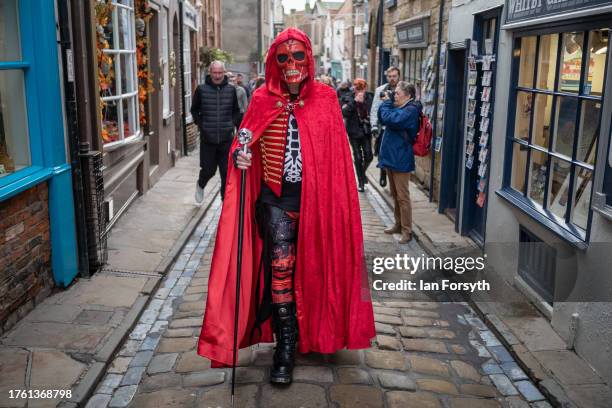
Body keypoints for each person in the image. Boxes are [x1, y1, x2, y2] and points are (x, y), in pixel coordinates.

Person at [198, 28, 375, 385]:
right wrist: (241, 157)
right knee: (280, 269)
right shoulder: (262, 99)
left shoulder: (325, 99)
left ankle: (317, 330)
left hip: (317, 204)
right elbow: (243, 144)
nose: (291, 65)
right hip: (276, 202)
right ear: (274, 62)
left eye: (297, 56)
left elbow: (336, 159)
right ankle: (286, 345)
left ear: (308, 60)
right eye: (283, 58)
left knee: (313, 267)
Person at [191, 61, 241, 203]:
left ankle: (225, 202)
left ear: (224, 72)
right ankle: (200, 185)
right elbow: (194, 110)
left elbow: (236, 112)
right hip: (208, 140)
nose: (217, 76)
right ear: (210, 72)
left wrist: (234, 126)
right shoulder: (201, 90)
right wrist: (202, 125)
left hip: (226, 140)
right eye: (215, 72)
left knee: (226, 173)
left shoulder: (231, 90)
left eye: (220, 72)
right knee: (208, 170)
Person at [378, 81, 421, 244]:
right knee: (395, 194)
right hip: (391, 156)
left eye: (397, 93)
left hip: (401, 157)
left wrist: (387, 102)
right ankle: (398, 224)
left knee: (403, 196)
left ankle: (407, 231)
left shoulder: (410, 110)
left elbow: (392, 120)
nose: (394, 95)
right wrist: (387, 104)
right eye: (394, 93)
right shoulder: (399, 107)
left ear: (408, 96)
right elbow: (383, 118)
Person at [341, 78, 374, 192]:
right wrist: (354, 101)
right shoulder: (347, 97)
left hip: (366, 131)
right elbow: (344, 112)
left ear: (365, 87)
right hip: (354, 131)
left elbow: (374, 111)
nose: (358, 88)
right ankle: (360, 182)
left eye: (361, 86)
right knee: (358, 157)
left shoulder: (370, 97)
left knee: (369, 155)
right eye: (356, 85)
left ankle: (362, 173)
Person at [370, 66, 401, 188]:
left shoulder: (403, 89)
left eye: (394, 76)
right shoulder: (380, 90)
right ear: (386, 77)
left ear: (398, 76)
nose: (392, 78)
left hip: (398, 127)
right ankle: (383, 171)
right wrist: (373, 125)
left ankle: (392, 173)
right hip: (383, 127)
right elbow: (375, 108)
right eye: (390, 76)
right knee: (381, 152)